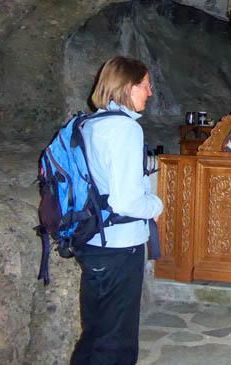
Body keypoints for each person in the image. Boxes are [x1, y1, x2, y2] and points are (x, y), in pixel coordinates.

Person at [71, 56, 164, 365]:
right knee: (116, 343)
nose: (150, 92)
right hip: (120, 246)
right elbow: (127, 202)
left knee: (95, 333)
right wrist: (157, 205)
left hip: (93, 240)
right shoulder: (125, 130)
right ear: (128, 87)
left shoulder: (90, 124)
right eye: (146, 85)